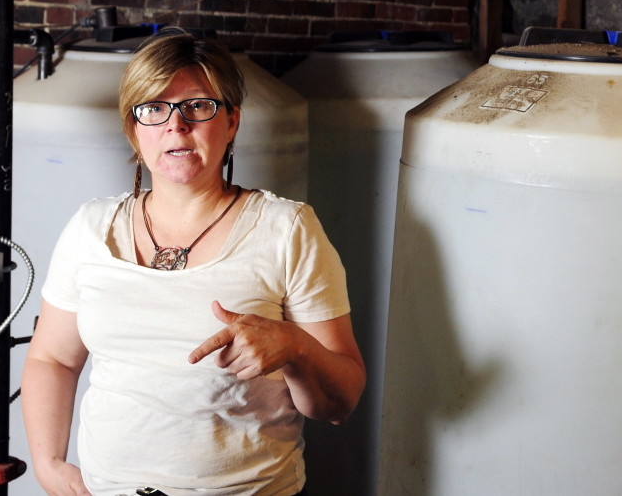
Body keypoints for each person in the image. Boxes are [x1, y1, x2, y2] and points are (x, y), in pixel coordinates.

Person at [21, 29, 366, 496]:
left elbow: (339, 402)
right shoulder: (91, 226)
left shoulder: (287, 230)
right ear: (133, 128)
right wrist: (47, 463)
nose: (175, 126)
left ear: (232, 122)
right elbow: (52, 358)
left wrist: (295, 348)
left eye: (198, 106)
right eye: (153, 108)